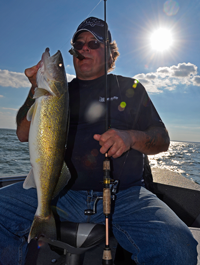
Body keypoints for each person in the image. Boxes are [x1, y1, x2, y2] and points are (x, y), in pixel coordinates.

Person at [0, 17, 197, 265]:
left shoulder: (132, 88)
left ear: (110, 54)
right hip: (61, 193)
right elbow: (22, 134)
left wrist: (130, 137)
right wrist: (34, 89)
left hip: (126, 196)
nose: (84, 49)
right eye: (78, 44)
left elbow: (163, 141)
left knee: (177, 246)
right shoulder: (60, 92)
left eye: (93, 43)